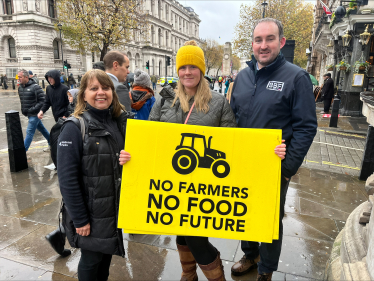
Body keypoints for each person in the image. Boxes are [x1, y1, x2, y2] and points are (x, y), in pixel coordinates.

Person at [145, 40, 286, 281]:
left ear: (201, 70)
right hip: (171, 181)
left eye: (193, 67)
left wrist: (270, 152)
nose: (187, 72)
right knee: (182, 232)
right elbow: (148, 139)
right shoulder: (164, 101)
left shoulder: (218, 102)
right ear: (177, 70)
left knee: (195, 236)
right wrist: (131, 155)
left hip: (203, 186)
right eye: (183, 67)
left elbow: (231, 143)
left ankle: (215, 277)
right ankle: (188, 274)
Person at [230, 18, 317, 280]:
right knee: (242, 210)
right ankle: (250, 254)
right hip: (243, 163)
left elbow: (306, 127)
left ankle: (266, 269)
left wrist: (288, 168)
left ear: (280, 42)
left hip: (274, 167)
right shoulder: (243, 77)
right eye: (258, 40)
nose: (263, 45)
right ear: (253, 44)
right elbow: (232, 118)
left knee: (268, 220)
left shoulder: (296, 77)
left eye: (269, 39)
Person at [58, 69, 132, 281]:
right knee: (91, 262)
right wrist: (80, 220)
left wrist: (127, 159)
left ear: (113, 92)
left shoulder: (117, 122)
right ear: (83, 95)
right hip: (89, 213)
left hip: (110, 210)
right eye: (94, 88)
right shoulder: (74, 127)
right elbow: (67, 179)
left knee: (104, 260)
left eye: (106, 88)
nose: (101, 92)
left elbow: (115, 163)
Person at [17, 69, 50, 151]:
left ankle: (23, 152)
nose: (18, 79)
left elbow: (43, 101)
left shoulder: (36, 87)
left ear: (26, 77)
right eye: (18, 77)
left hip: (35, 114)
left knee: (29, 132)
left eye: (20, 77)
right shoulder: (20, 88)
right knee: (42, 129)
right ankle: (52, 142)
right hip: (28, 114)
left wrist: (32, 109)